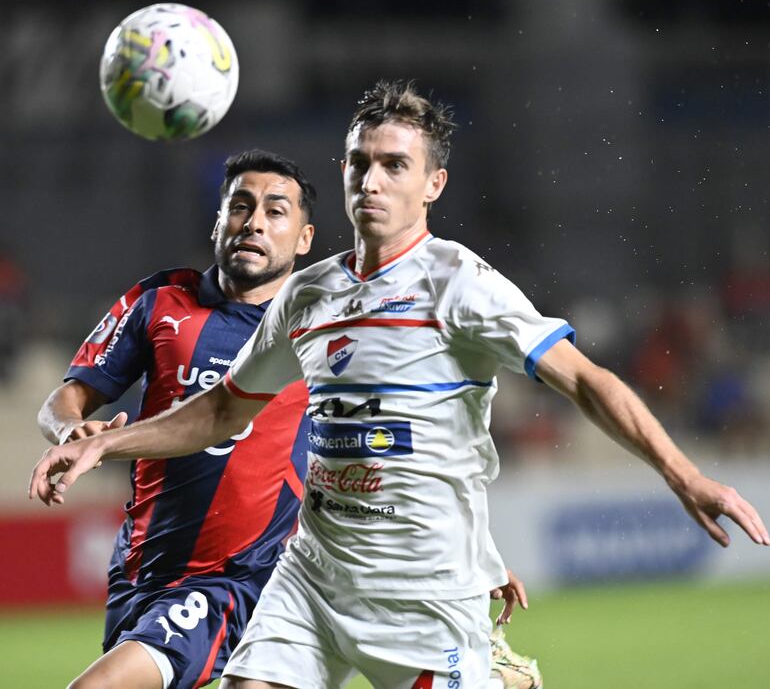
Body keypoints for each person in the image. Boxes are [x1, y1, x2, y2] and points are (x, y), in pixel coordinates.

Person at [31, 80, 768, 688]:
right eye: (360, 163)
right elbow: (224, 409)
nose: (372, 180)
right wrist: (106, 445)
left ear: (433, 184)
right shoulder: (309, 295)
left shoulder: (461, 285)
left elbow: (587, 381)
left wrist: (683, 474)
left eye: (394, 165)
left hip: (422, 594)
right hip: (311, 581)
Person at [36, 148, 316, 689]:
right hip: (140, 568)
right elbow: (64, 400)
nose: (254, 222)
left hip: (235, 577)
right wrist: (73, 431)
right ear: (218, 221)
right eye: (240, 205)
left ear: (304, 239)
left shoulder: (314, 327)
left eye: (276, 211)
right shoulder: (160, 299)